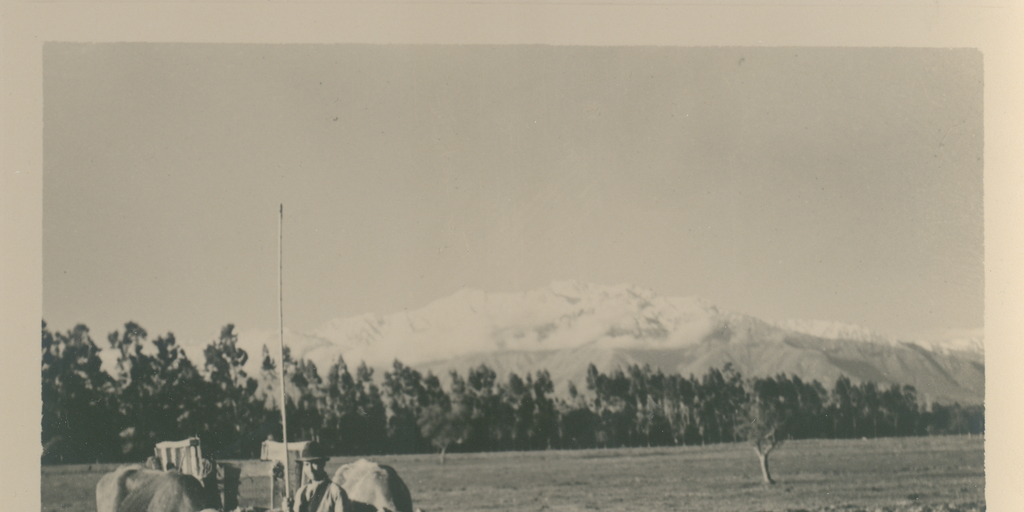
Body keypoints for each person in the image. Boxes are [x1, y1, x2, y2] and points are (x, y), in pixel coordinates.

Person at [288, 442, 350, 512]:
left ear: (323, 463)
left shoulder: (336, 492)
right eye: (307, 464)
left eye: (314, 463)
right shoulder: (301, 492)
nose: (310, 469)